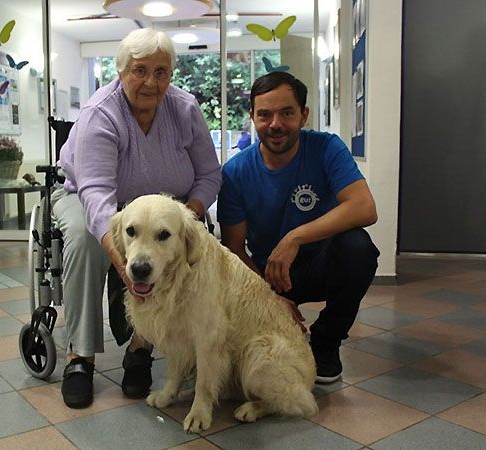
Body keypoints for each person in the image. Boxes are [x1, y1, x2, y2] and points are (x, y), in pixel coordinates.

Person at [52, 28, 221, 408]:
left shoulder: (185, 109)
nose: (150, 82)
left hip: (165, 209)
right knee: (82, 237)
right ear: (121, 71)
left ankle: (142, 348)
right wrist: (123, 261)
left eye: (161, 72)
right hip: (87, 199)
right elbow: (95, 194)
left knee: (177, 244)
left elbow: (209, 175)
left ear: (171, 76)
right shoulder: (101, 113)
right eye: (139, 70)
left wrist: (186, 218)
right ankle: (80, 356)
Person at [217, 71, 379, 383]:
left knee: (358, 247)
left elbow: (364, 207)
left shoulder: (326, 148)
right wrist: (267, 298)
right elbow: (234, 250)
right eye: (264, 114)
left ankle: (325, 342)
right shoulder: (235, 172)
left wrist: (295, 237)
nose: (275, 124)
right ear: (252, 117)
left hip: (323, 264)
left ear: (303, 115)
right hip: (268, 275)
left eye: (286, 113)